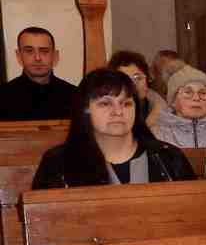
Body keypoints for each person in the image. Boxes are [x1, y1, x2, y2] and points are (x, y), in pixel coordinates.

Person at [31, 68, 195, 188]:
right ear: (85, 110)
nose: (118, 112)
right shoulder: (58, 163)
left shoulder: (168, 158)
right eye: (105, 103)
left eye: (126, 103)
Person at [1, 27, 75, 120]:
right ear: (18, 56)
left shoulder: (75, 96)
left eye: (44, 51)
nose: (37, 58)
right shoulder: (3, 98)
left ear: (55, 56)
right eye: (29, 51)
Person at [153, 65, 206, 149]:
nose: (196, 98)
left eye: (203, 93)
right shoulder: (157, 136)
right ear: (173, 101)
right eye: (188, 92)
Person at [107, 50, 167, 129]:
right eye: (126, 79)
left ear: (147, 78)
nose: (134, 84)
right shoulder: (109, 112)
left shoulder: (158, 105)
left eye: (138, 78)